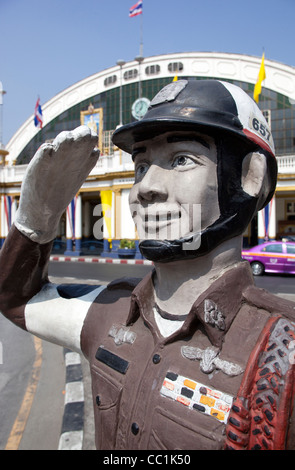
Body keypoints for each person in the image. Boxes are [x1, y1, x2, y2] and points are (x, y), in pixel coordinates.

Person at [0, 79, 295, 450]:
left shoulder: (281, 351)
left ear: (249, 177)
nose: (145, 187)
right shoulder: (110, 313)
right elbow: (16, 300)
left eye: (181, 159)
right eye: (141, 166)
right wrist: (36, 218)